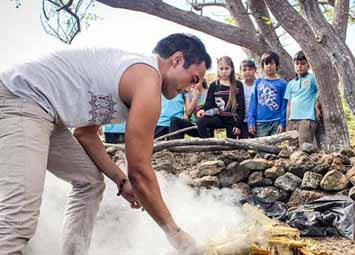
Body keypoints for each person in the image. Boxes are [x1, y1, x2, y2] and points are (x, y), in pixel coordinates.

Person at [0, 33, 211, 255]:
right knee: (18, 217)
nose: (191, 88)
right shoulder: (148, 78)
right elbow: (139, 170)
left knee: (90, 182)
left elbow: (85, 134)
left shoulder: (130, 76)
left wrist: (121, 181)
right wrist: (175, 234)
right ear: (177, 60)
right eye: (194, 78)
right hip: (20, 97)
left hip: (47, 113)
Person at [196, 56, 245, 139]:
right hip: (218, 118)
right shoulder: (214, 85)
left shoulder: (238, 85)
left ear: (232, 69)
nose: (224, 71)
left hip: (232, 120)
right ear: (218, 70)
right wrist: (203, 110)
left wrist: (238, 125)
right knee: (201, 122)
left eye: (226, 68)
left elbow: (241, 107)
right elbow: (209, 103)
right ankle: (210, 144)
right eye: (221, 69)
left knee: (230, 146)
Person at [247, 52, 287, 137]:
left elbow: (284, 105)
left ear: (277, 65)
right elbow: (253, 103)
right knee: (261, 148)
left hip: (276, 122)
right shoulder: (258, 82)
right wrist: (251, 121)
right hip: (260, 123)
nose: (269, 66)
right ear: (262, 66)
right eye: (266, 63)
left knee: (276, 148)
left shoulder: (282, 84)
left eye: (272, 63)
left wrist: (283, 123)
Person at [285, 51, 321, 146]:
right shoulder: (291, 83)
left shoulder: (312, 78)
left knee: (305, 148)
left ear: (308, 65)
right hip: (292, 120)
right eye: (297, 63)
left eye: (303, 63)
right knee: (292, 148)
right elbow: (289, 104)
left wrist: (317, 103)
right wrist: (287, 122)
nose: (299, 66)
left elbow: (321, 91)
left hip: (306, 119)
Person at [239, 59, 257, 139]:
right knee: (243, 145)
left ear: (255, 70)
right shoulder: (239, 86)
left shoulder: (259, 85)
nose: (247, 72)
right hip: (242, 120)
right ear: (240, 72)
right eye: (244, 70)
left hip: (256, 120)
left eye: (250, 69)